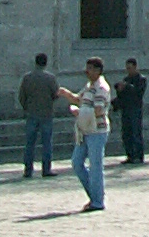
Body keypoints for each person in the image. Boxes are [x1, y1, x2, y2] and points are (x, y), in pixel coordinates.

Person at [56, 57, 111, 212]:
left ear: (98, 71)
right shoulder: (89, 86)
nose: (87, 72)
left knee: (95, 166)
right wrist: (66, 94)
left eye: (91, 69)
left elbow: (99, 110)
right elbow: (78, 99)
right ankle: (95, 195)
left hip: (97, 131)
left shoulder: (101, 87)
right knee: (77, 162)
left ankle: (97, 201)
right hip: (85, 131)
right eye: (87, 68)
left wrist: (79, 113)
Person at [18, 52, 61, 179]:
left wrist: (26, 107)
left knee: (30, 143)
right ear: (46, 62)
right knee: (47, 142)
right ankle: (46, 169)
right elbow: (56, 94)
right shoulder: (50, 78)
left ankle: (28, 169)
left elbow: (21, 96)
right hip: (46, 113)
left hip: (31, 113)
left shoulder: (27, 78)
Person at [115, 59, 146, 165]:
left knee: (135, 132)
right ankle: (130, 155)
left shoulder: (141, 79)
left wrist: (126, 87)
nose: (128, 70)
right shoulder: (126, 79)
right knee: (126, 133)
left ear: (135, 67)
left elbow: (138, 93)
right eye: (127, 68)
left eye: (130, 68)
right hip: (126, 109)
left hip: (135, 109)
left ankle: (138, 155)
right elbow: (122, 96)